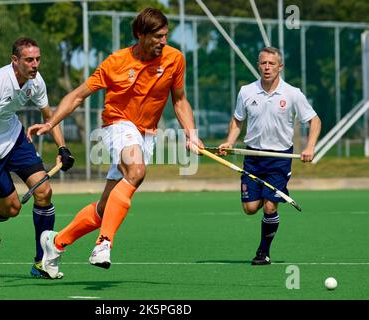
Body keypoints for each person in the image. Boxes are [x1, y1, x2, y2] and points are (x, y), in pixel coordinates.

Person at [27, 7, 204, 278]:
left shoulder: (174, 59)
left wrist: (191, 133)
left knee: (104, 207)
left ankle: (56, 242)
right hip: (117, 125)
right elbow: (77, 95)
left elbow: (179, 100)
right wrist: (51, 123)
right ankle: (103, 243)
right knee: (136, 171)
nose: (163, 42)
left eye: (165, 36)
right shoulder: (115, 62)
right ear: (140, 35)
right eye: (157, 36)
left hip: (147, 134)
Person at [0, 37, 74, 279]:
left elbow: (49, 117)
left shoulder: (36, 81)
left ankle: (42, 262)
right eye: (29, 60)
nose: (35, 65)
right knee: (12, 208)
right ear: (15, 61)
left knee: (44, 192)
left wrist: (62, 148)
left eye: (37, 59)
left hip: (15, 140)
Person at [218, 46, 321, 265]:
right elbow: (238, 120)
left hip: (279, 160)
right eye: (263, 63)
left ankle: (263, 252)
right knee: (250, 208)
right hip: (252, 158)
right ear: (258, 65)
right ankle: (266, 205)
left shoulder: (292, 93)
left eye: (271, 64)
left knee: (269, 206)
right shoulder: (246, 91)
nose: (267, 67)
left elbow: (314, 120)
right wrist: (229, 141)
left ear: (280, 67)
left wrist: (310, 147)